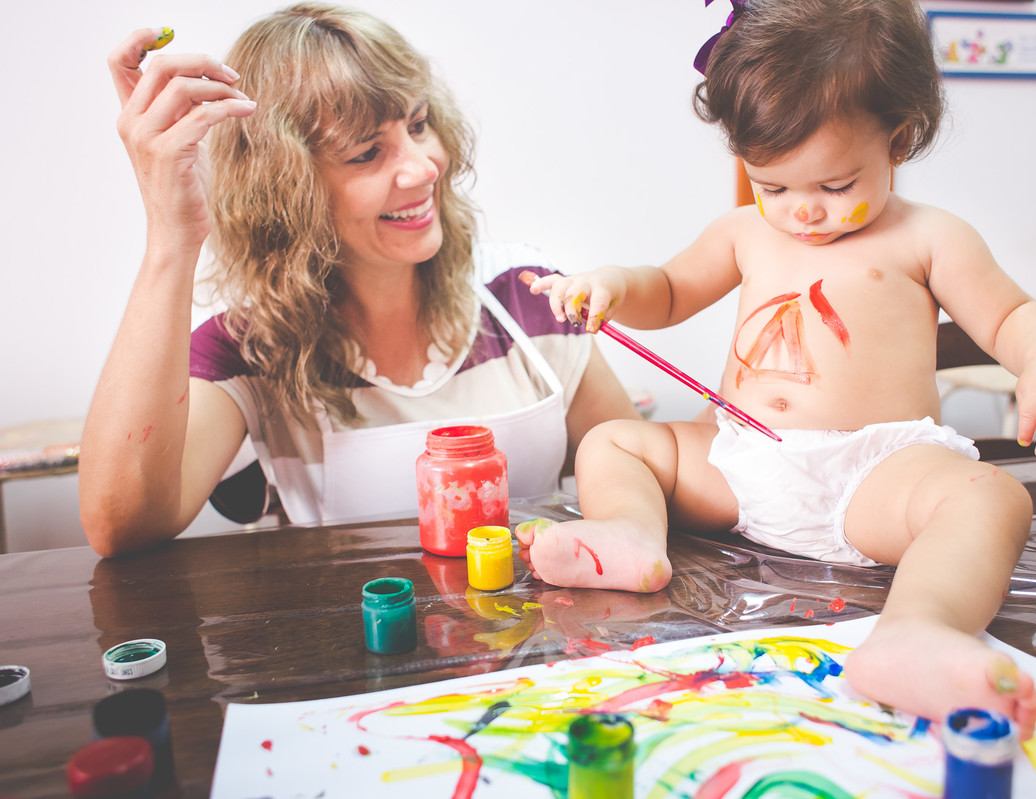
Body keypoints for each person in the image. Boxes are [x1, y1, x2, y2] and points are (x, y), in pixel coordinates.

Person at [517, 0, 1036, 739]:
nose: (804, 214)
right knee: (614, 441)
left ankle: (914, 633)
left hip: (873, 476)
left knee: (992, 499)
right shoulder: (743, 233)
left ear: (900, 139)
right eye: (774, 186)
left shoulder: (931, 238)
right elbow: (666, 290)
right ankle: (630, 534)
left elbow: (1013, 316)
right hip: (739, 461)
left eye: (834, 187)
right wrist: (612, 285)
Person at [80, 3, 639, 558]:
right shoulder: (250, 350)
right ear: (287, 187)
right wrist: (172, 239)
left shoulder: (530, 299)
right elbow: (121, 525)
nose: (423, 168)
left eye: (419, 125)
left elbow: (645, 473)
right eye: (367, 153)